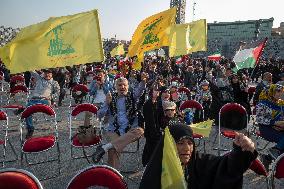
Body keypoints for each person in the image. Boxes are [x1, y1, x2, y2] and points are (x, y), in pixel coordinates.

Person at [140, 123, 257, 189]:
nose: (187, 148)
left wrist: (240, 151)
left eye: (190, 143)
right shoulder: (155, 170)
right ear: (169, 145)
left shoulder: (200, 161)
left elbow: (227, 167)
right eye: (180, 143)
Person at [92, 74, 147, 169]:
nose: (122, 87)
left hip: (131, 129)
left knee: (140, 131)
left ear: (128, 86)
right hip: (115, 130)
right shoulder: (110, 97)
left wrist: (143, 81)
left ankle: (105, 147)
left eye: (124, 85)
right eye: (120, 85)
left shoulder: (132, 96)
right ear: (115, 87)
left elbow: (140, 91)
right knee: (113, 150)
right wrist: (107, 103)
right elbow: (99, 115)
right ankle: (114, 174)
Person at [25, 69, 60, 138]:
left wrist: (50, 97)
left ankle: (22, 108)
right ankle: (30, 128)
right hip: (34, 99)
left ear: (52, 74)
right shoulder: (38, 78)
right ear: (43, 73)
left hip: (45, 100)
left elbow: (58, 92)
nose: (47, 75)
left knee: (27, 107)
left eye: (49, 73)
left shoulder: (54, 82)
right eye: (46, 73)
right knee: (27, 110)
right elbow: (31, 70)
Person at [256, 84, 284, 159]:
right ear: (270, 92)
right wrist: (275, 123)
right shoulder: (262, 104)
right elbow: (259, 119)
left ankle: (272, 157)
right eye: (278, 91)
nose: (281, 93)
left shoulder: (281, 103)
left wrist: (281, 126)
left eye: (281, 91)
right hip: (267, 129)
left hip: (280, 128)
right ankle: (276, 150)